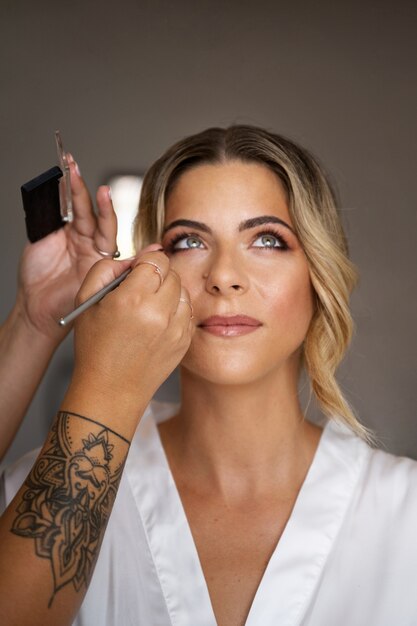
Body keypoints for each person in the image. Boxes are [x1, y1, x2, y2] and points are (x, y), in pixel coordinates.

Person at [0, 125, 416, 626]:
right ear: (149, 266)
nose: (223, 276)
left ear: (319, 275)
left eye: (267, 240)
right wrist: (35, 319)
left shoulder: (405, 512)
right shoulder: (34, 487)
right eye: (190, 241)